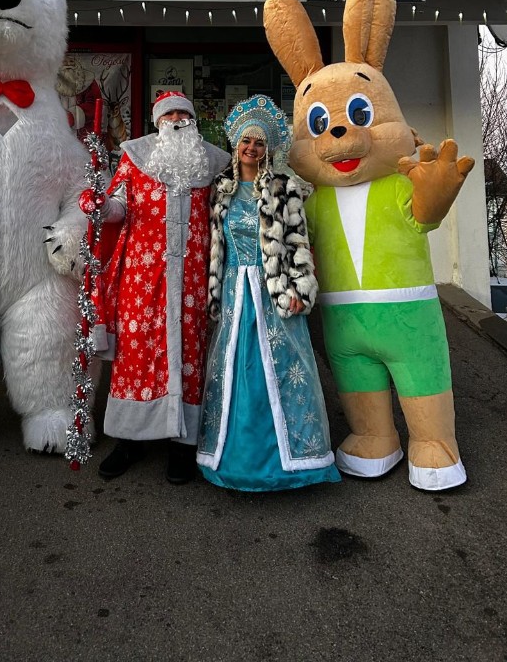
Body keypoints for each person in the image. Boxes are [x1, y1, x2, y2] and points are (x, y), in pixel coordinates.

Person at [80, 90, 230, 483]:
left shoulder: (213, 163)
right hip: (142, 281)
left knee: (189, 358)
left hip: (193, 281)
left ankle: (182, 445)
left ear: (193, 120)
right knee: (136, 359)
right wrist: (99, 204)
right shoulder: (135, 156)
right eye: (170, 114)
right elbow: (118, 207)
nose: (177, 119)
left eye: (184, 113)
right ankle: (129, 440)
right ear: (157, 121)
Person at [196, 95, 341, 492]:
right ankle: (231, 457)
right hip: (232, 294)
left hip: (271, 291)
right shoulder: (220, 191)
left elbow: (297, 243)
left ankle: (295, 461)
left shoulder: (283, 188)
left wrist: (298, 289)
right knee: (234, 369)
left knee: (279, 370)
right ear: (235, 144)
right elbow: (214, 249)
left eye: (259, 143)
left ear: (268, 149)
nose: (251, 149)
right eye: (246, 141)